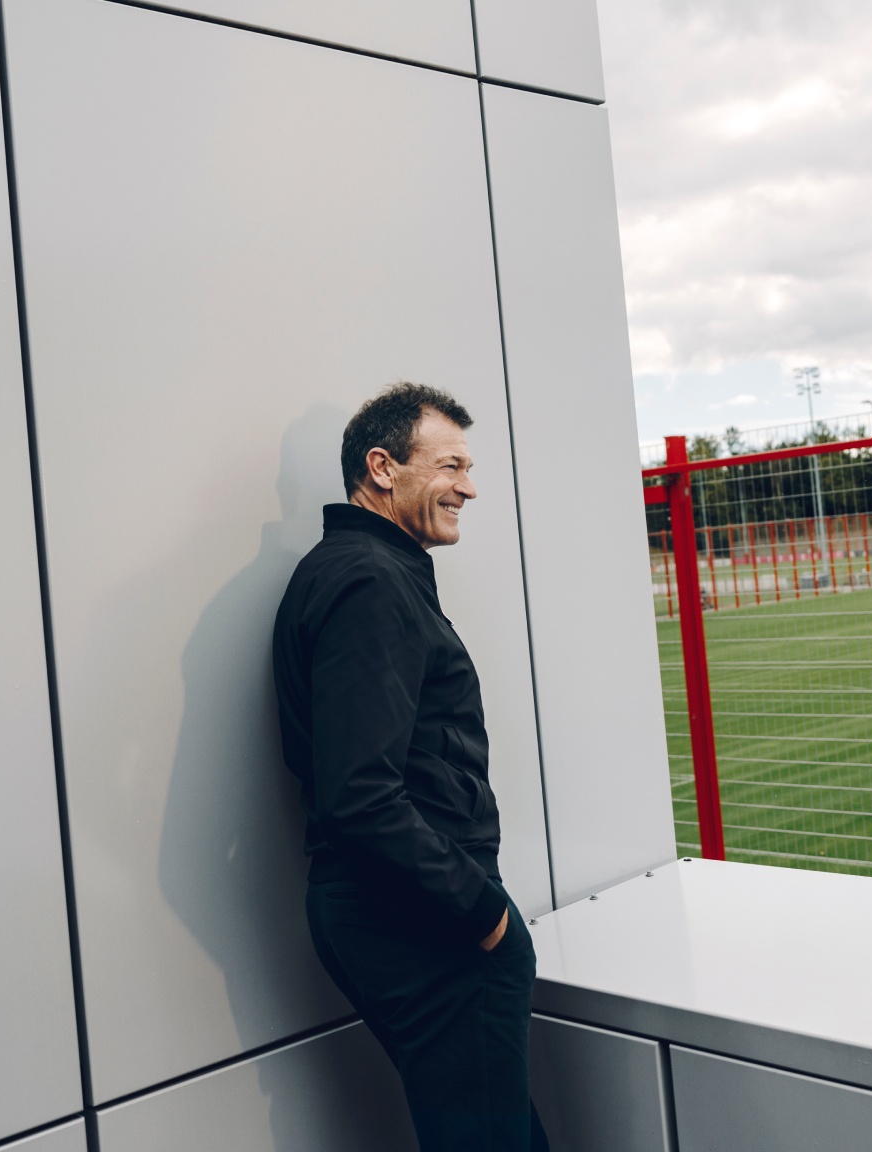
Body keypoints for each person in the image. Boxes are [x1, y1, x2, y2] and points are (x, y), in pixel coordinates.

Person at [272, 383, 547, 1151]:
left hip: (402, 915)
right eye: (451, 464)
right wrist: (482, 913)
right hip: (424, 922)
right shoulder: (369, 580)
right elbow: (360, 794)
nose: (470, 485)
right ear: (383, 467)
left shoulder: (362, 570)